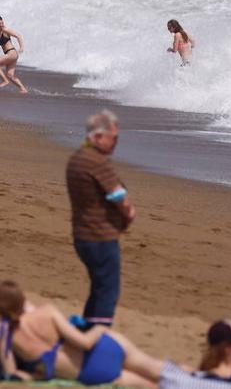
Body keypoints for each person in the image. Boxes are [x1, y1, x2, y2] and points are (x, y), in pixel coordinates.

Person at [0, 280, 161, 387]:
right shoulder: (47, 312)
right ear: (23, 301)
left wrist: (34, 375)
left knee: (150, 384)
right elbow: (85, 343)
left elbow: (11, 375)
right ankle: (189, 378)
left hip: (88, 374)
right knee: (158, 369)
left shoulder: (5, 336)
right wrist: (101, 327)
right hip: (98, 351)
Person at [67, 110, 134, 328]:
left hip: (83, 233)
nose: (116, 143)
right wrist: (128, 214)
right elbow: (118, 197)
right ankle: (96, 338)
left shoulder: (76, 159)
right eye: (113, 138)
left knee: (98, 286)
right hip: (100, 235)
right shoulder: (96, 162)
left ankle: (86, 330)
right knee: (107, 290)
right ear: (97, 137)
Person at [0, 16, 27, 93]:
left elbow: (18, 36)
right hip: (10, 54)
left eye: (2, 23)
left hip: (12, 53)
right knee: (10, 75)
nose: (1, 24)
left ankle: (5, 81)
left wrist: (21, 47)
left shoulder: (5, 30)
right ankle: (23, 89)